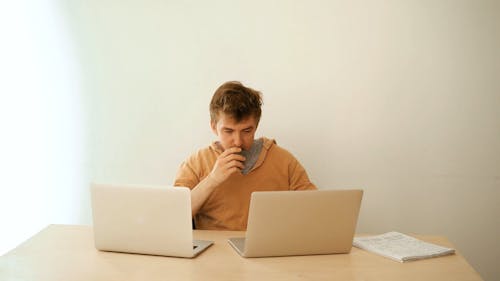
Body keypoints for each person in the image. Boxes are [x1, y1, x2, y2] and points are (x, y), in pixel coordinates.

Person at [173, 81, 316, 230]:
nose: (238, 141)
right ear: (214, 127)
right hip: (215, 251)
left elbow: (315, 209)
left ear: (256, 126)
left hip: (269, 248)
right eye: (228, 131)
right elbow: (173, 217)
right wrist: (213, 179)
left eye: (247, 131)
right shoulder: (196, 162)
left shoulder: (283, 160)